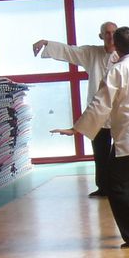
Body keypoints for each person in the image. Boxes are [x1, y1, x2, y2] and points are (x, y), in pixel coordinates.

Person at [51, 27, 129, 248]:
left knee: (116, 185)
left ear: (116, 47)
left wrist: (77, 128)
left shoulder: (116, 71)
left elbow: (101, 104)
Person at [33, 22, 118, 198]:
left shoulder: (124, 57)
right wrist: (46, 42)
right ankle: (103, 187)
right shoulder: (91, 54)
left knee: (120, 152)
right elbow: (70, 51)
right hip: (97, 113)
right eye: (107, 33)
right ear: (101, 36)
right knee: (100, 152)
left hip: (119, 113)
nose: (110, 36)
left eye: (113, 33)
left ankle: (119, 187)